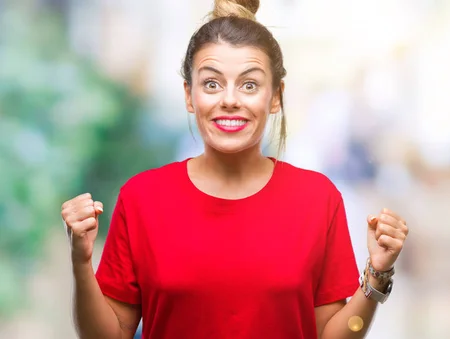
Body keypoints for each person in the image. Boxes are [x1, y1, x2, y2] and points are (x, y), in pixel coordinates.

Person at [60, 1, 409, 338]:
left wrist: (377, 275)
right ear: (189, 94)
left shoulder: (318, 199)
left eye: (249, 84)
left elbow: (336, 335)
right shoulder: (142, 198)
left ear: (275, 97)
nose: (229, 99)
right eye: (211, 83)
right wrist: (80, 262)